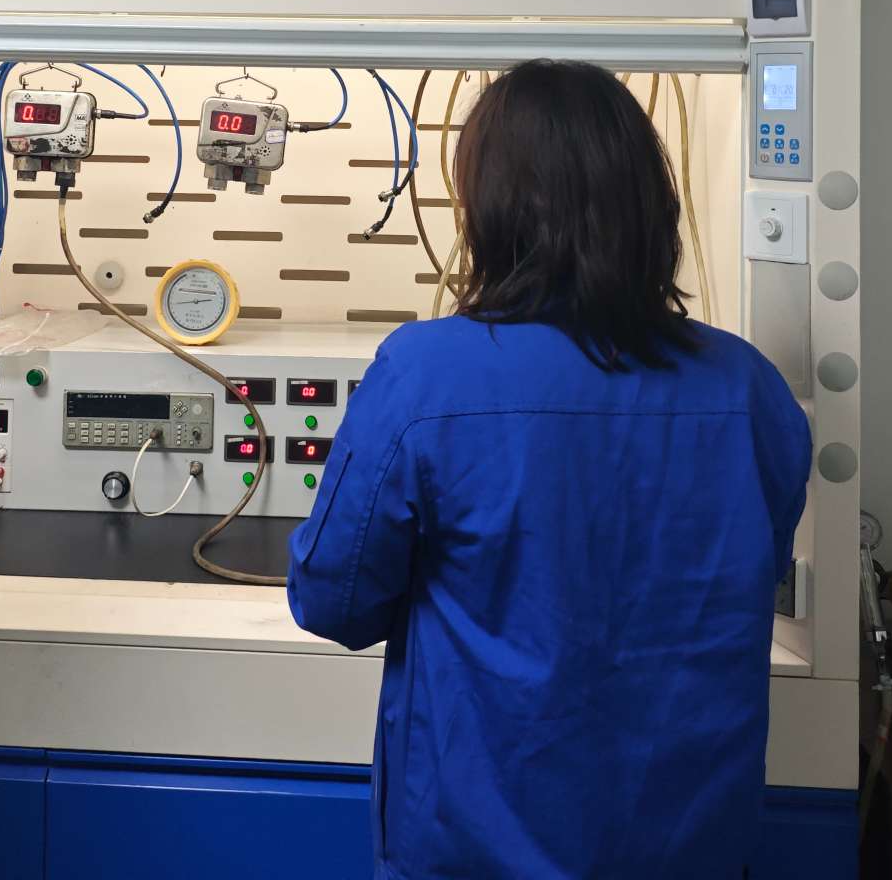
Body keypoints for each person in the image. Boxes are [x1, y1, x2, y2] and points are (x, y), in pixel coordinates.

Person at [288, 59, 813, 880]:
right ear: (650, 205)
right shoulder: (749, 390)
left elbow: (333, 601)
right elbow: (747, 577)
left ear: (490, 211)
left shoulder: (426, 376)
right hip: (692, 847)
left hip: (475, 853)